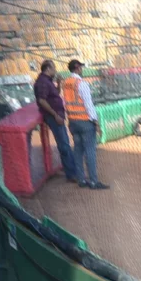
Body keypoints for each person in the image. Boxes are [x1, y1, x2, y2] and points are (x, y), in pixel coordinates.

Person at [34, 58, 82, 185]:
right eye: (53, 68)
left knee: (64, 143)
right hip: (54, 117)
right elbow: (42, 100)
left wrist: (59, 83)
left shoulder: (48, 81)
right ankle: (72, 174)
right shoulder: (43, 82)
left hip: (56, 116)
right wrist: (55, 115)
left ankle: (71, 171)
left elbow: (55, 94)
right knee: (64, 145)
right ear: (48, 69)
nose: (55, 70)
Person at [62, 59, 108, 188]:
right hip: (85, 121)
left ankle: (81, 179)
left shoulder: (66, 83)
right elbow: (89, 105)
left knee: (78, 150)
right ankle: (93, 181)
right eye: (80, 68)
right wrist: (96, 122)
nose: (82, 70)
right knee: (90, 151)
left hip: (72, 121)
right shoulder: (81, 83)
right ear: (77, 68)